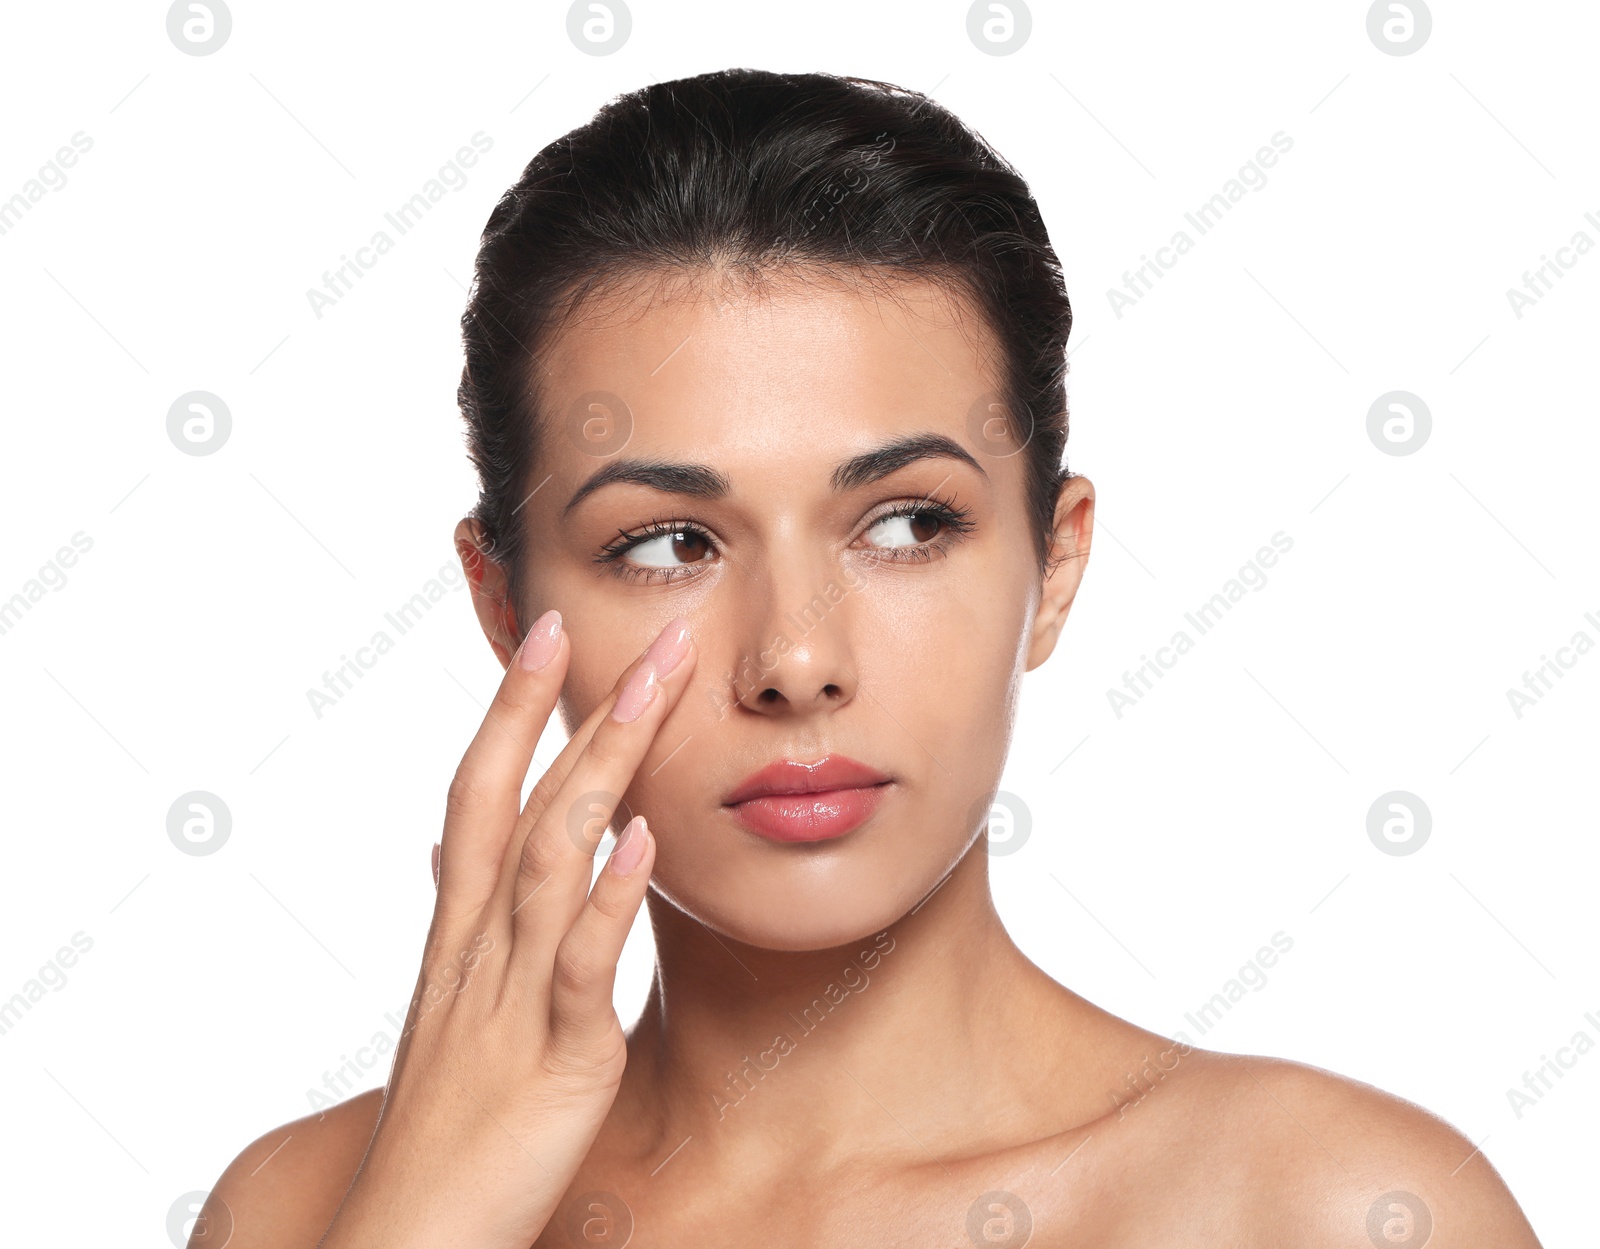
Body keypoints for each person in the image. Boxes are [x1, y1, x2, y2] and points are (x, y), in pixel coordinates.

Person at [197, 68, 1542, 1247]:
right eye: (667, 543)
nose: (795, 658)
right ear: (505, 604)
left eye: (906, 524)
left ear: (1053, 564)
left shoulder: (1330, 1212)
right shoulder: (307, 1206)